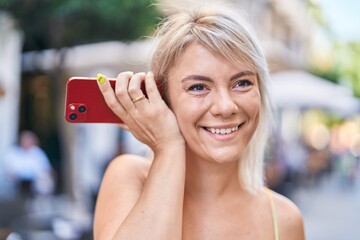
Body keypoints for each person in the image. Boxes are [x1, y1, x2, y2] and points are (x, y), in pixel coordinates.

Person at [93, 4, 305, 240]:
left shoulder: (285, 220)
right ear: (165, 100)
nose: (226, 107)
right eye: (198, 87)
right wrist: (168, 149)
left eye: (242, 83)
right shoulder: (129, 177)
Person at [3, 130, 54, 198]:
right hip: (16, 180)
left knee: (44, 182)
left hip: (34, 180)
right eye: (25, 140)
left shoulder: (38, 153)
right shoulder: (13, 152)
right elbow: (7, 167)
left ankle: (40, 202)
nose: (26, 142)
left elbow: (46, 168)